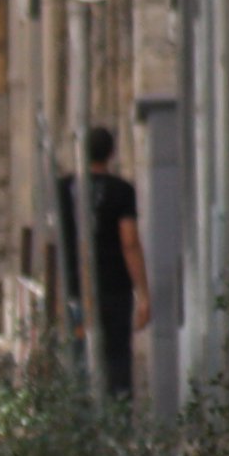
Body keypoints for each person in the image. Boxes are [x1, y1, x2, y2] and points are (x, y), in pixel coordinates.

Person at [82, 126, 151, 396]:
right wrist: (143, 294)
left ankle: (80, 417)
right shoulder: (121, 191)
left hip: (76, 289)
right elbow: (130, 242)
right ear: (111, 153)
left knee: (78, 354)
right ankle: (117, 421)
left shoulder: (66, 188)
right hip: (114, 288)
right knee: (117, 357)